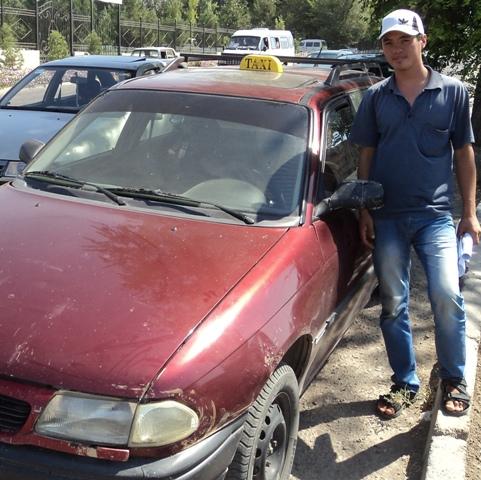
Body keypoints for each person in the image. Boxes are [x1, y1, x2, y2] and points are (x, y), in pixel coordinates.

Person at [350, 8, 481, 419]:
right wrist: (365, 209)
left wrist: (469, 213)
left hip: (436, 216)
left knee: (446, 294)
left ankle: (454, 378)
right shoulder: (376, 97)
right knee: (393, 302)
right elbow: (366, 154)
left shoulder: (453, 92)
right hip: (387, 216)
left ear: (422, 42)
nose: (396, 49)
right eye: (389, 42)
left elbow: (464, 153)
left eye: (405, 40)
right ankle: (404, 382)